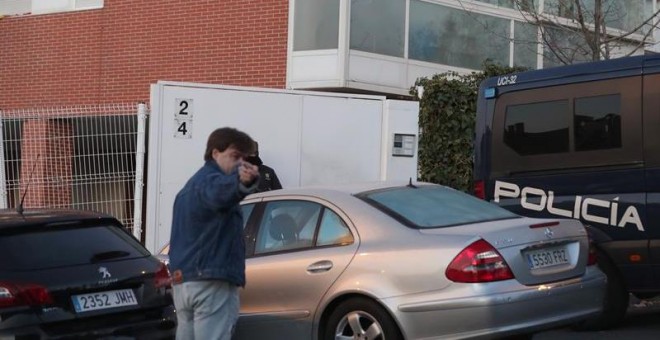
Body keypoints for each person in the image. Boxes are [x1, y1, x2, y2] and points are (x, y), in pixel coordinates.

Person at [168, 127, 260, 340]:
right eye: (235, 156)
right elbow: (220, 192)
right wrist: (243, 183)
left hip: (184, 281)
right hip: (210, 279)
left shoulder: (188, 189)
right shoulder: (212, 181)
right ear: (215, 153)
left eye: (244, 158)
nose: (240, 164)